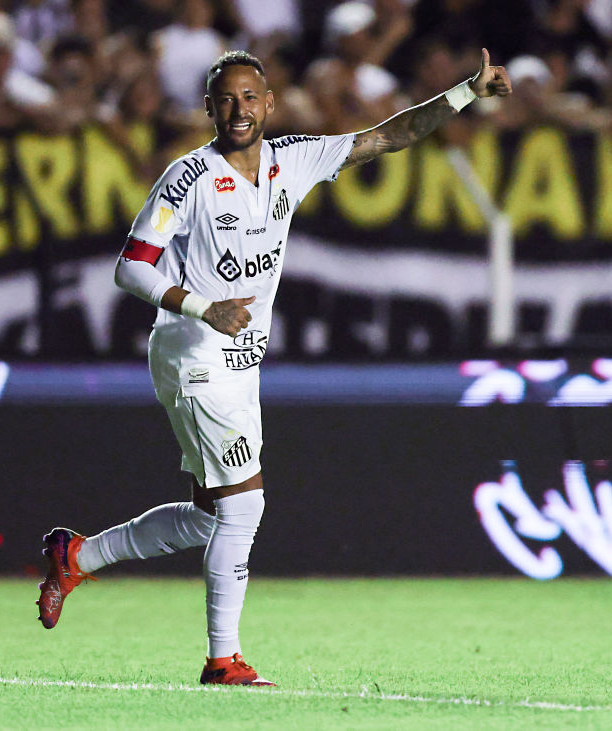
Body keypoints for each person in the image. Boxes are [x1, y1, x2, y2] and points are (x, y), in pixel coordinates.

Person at [36, 47, 511, 686]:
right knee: (244, 507)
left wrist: (463, 93)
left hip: (239, 360)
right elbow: (131, 266)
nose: (239, 109)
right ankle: (222, 660)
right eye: (226, 99)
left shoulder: (294, 160)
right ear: (208, 108)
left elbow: (390, 135)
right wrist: (204, 307)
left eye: (250, 97)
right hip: (192, 352)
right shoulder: (188, 178)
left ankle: (78, 555)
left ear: (269, 104)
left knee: (212, 513)